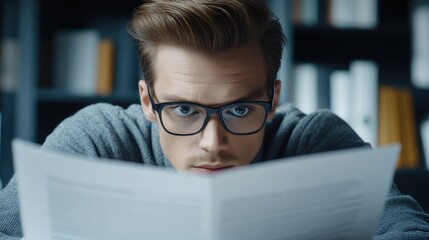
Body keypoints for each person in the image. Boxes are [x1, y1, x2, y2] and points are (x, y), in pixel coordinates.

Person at [1, 0, 429, 239]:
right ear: (148, 102)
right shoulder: (96, 138)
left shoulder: (315, 140)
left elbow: (408, 230)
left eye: (240, 109)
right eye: (184, 109)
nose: (212, 143)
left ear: (273, 98)